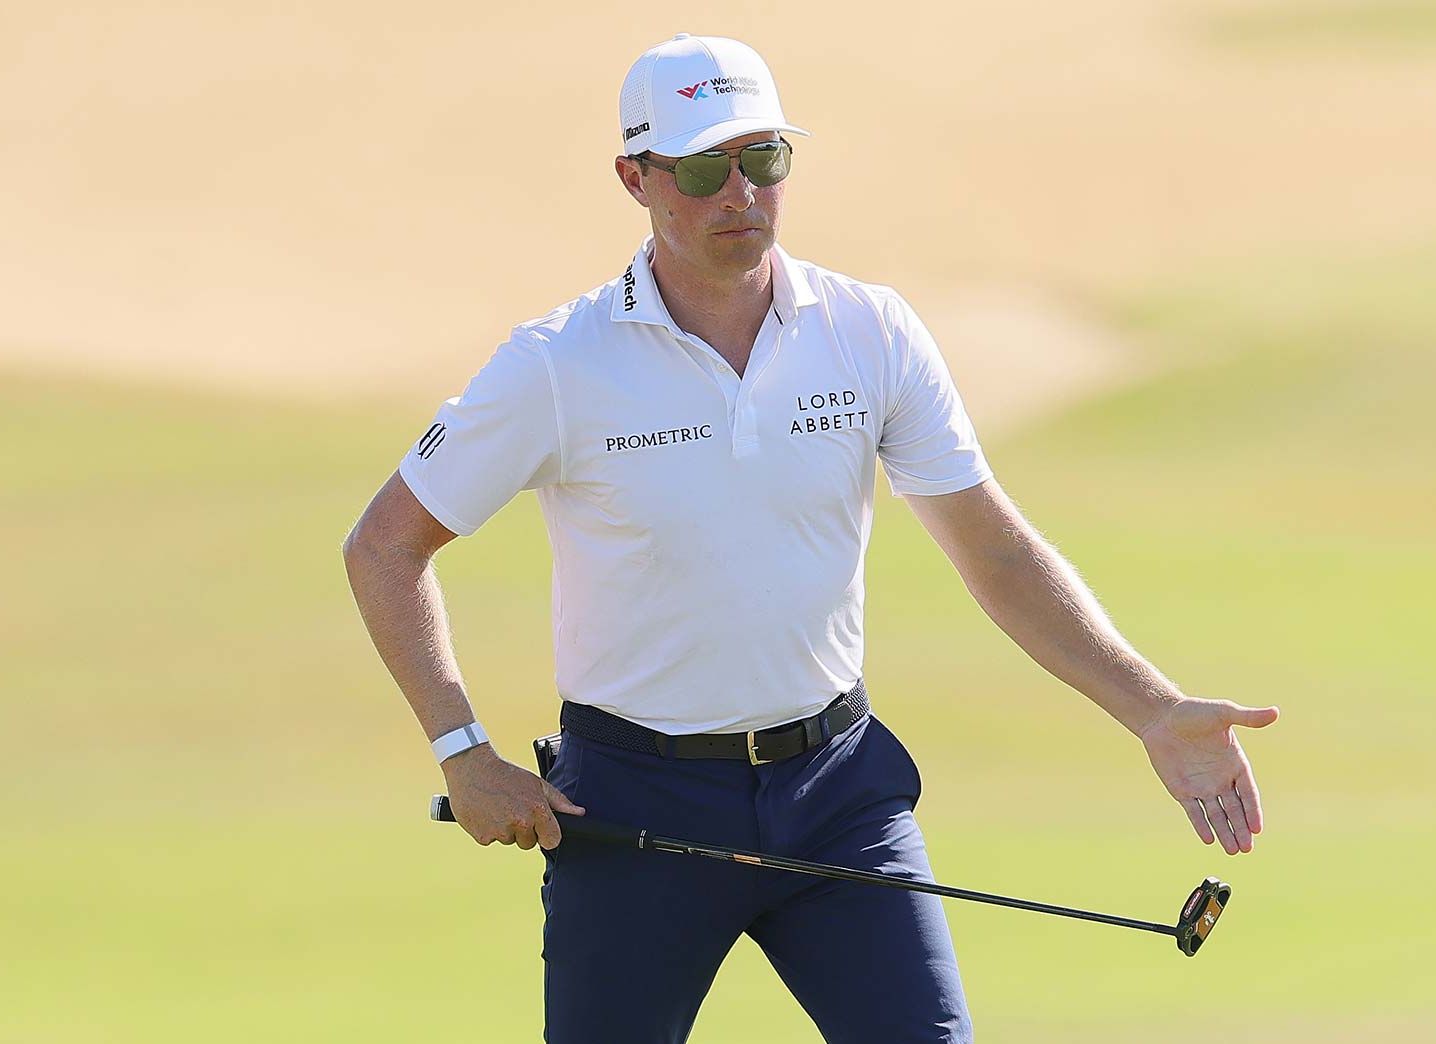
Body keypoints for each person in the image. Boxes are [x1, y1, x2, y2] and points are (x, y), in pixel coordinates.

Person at [342, 32, 1279, 1044]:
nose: (738, 192)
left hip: (837, 795)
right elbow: (385, 546)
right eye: (703, 168)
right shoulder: (557, 366)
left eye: (764, 159)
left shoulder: (867, 331)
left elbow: (995, 554)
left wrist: (1150, 710)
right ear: (635, 177)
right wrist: (460, 749)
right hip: (633, 801)